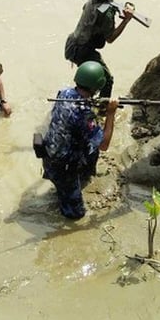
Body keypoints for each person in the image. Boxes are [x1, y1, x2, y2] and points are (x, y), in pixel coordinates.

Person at [39, 61, 119, 220]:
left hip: (48, 155)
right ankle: (67, 189)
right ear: (97, 85)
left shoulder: (64, 93)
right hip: (62, 169)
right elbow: (104, 145)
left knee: (90, 144)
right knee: (77, 215)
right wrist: (110, 113)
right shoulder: (84, 114)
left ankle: (79, 177)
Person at [63, 0, 134, 98]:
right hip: (84, 50)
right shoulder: (107, 11)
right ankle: (102, 112)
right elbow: (110, 38)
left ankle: (87, 104)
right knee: (106, 80)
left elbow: (88, 11)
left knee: (87, 82)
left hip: (73, 45)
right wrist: (126, 21)